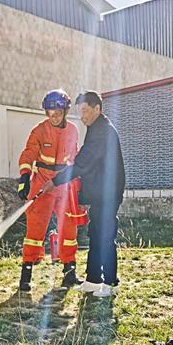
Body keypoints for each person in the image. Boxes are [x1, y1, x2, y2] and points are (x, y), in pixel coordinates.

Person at [43, 91, 125, 298]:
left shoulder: (102, 131)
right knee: (95, 234)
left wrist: (55, 181)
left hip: (108, 194)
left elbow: (82, 164)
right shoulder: (96, 128)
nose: (82, 116)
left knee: (104, 237)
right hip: (100, 193)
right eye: (80, 111)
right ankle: (93, 280)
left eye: (86, 111)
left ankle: (111, 283)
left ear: (97, 108)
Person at [17, 89, 87, 292]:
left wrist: (79, 182)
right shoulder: (39, 131)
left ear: (65, 112)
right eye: (50, 113)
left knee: (69, 229)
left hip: (65, 184)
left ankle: (69, 272)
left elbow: (74, 157)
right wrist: (24, 178)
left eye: (57, 113)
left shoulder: (73, 130)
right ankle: (26, 275)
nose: (53, 117)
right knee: (35, 228)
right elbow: (28, 154)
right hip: (42, 183)